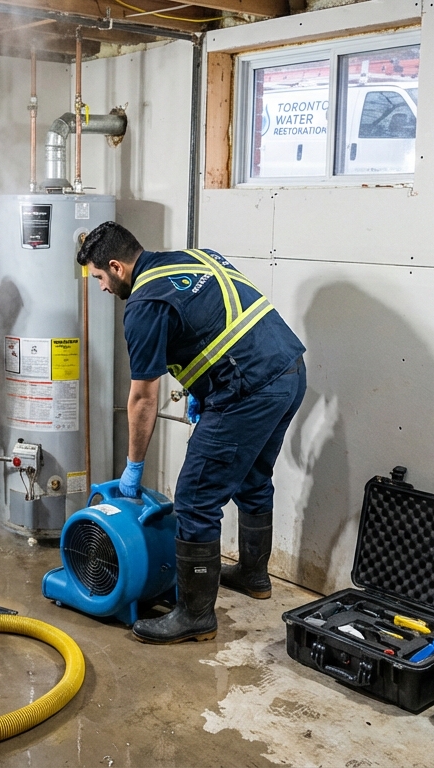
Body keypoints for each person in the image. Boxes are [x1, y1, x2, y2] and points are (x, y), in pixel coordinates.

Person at [76, 222, 306, 645]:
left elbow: (144, 398)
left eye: (99, 279)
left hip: (248, 390)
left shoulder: (145, 304)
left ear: (116, 266)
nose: (102, 289)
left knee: (197, 498)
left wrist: (134, 467)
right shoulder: (195, 257)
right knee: (253, 476)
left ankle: (195, 615)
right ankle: (255, 575)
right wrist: (204, 387)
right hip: (288, 371)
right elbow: (216, 321)